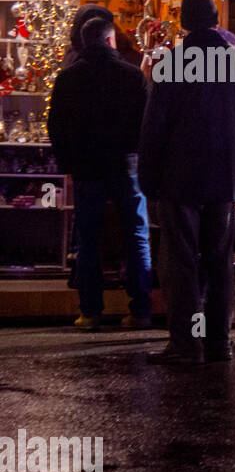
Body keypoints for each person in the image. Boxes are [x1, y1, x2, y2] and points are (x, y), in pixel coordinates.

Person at [138, 0, 235, 365]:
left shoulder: (172, 65)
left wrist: (149, 179)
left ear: (184, 23)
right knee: (218, 259)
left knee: (183, 261)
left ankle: (187, 341)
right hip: (224, 178)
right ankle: (218, 341)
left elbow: (154, 128)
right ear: (215, 20)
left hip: (179, 179)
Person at [48, 17, 152, 330]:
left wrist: (68, 165)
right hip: (126, 165)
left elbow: (56, 127)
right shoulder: (133, 76)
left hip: (87, 167)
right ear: (110, 41)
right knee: (136, 236)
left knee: (88, 239)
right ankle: (140, 310)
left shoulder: (68, 78)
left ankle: (90, 311)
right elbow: (146, 124)